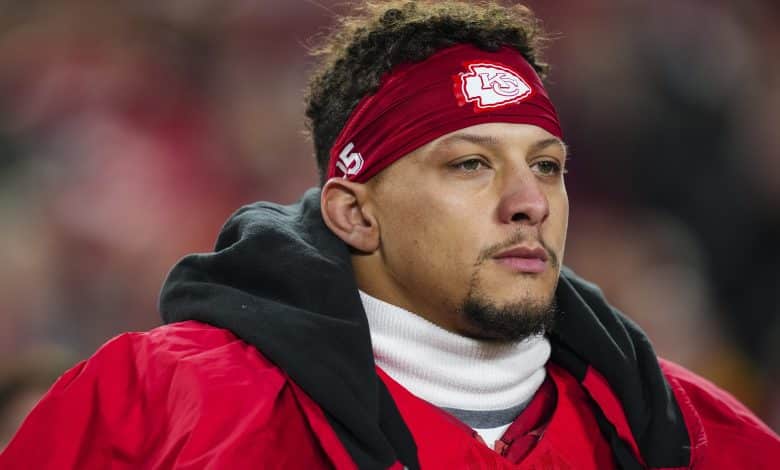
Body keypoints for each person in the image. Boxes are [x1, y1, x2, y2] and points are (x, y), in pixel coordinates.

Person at [2, 1, 779, 468]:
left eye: (547, 166)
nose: (528, 202)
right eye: (470, 165)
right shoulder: (153, 405)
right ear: (354, 212)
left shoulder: (697, 434)